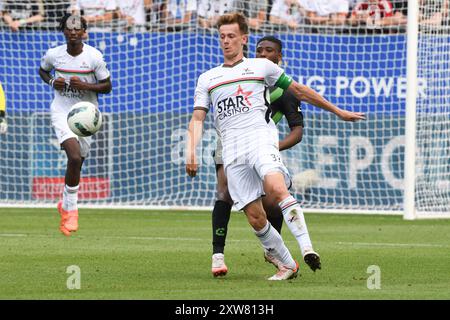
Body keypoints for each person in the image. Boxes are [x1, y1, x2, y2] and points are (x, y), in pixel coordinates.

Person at [186, 12, 365, 280]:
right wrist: (191, 150)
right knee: (255, 217)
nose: (226, 41)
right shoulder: (208, 78)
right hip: (232, 149)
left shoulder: (262, 67)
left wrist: (338, 111)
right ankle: (286, 264)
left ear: (243, 39)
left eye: (232, 36)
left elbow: (300, 91)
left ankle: (307, 248)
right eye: (222, 37)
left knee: (276, 188)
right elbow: (197, 117)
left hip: (260, 138)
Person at [39, 14, 112, 236]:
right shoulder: (54, 54)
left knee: (78, 163)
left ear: (84, 32)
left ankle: (64, 204)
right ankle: (71, 210)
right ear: (63, 31)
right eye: (69, 28)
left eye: (77, 28)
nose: (73, 31)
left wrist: (87, 86)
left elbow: (107, 86)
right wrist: (53, 81)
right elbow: (43, 70)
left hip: (87, 115)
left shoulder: (94, 57)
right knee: (74, 157)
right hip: (62, 112)